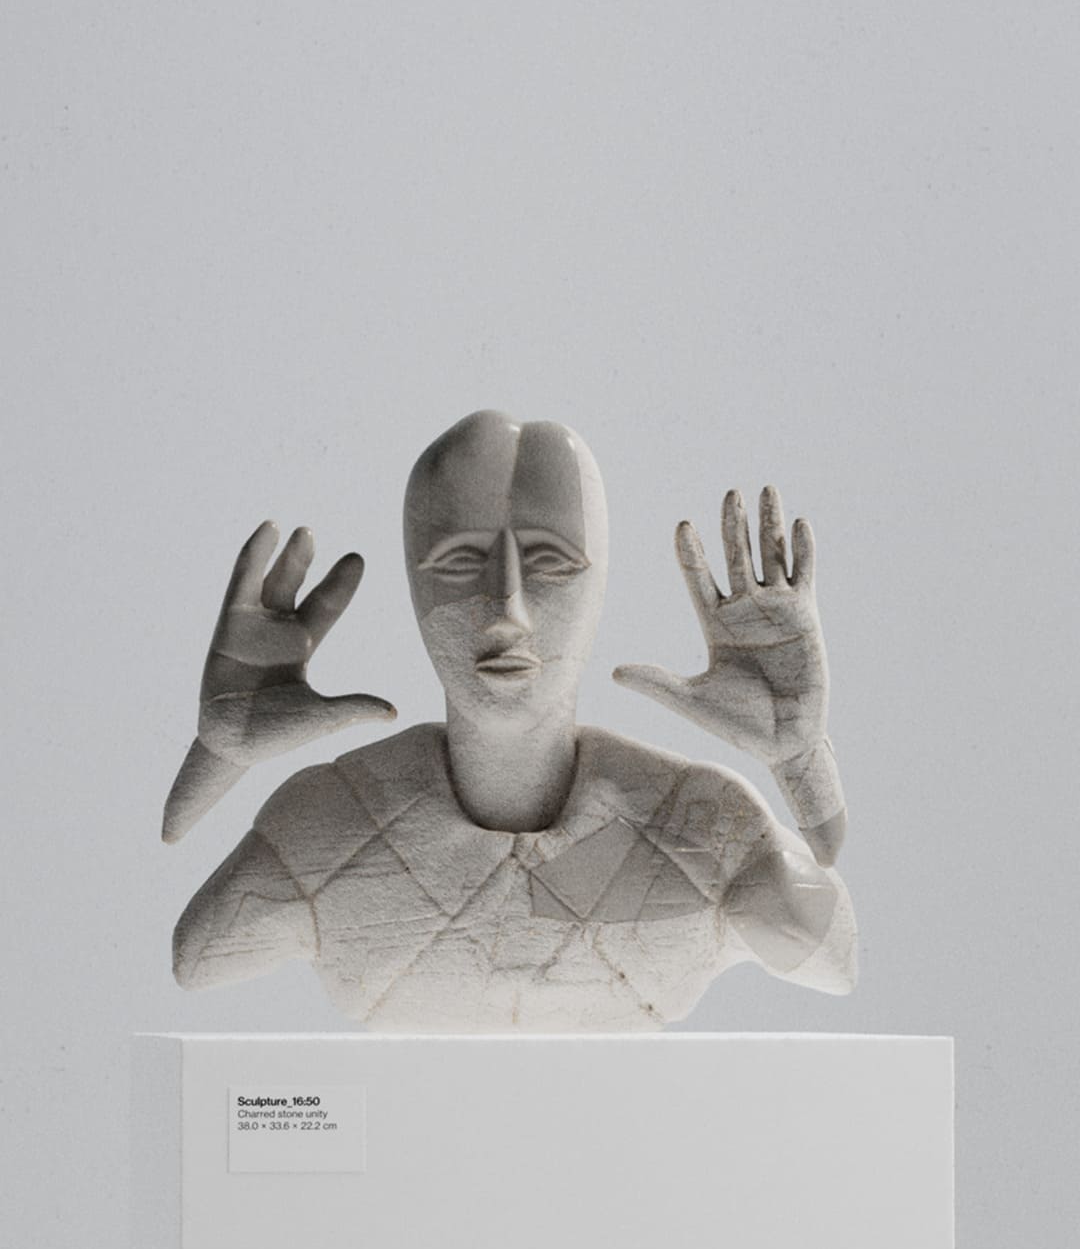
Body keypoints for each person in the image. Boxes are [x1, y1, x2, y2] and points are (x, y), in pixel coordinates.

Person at [164, 410, 855, 1030]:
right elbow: (195, 957)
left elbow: (834, 959)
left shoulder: (700, 825)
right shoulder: (327, 825)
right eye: (459, 563)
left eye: (551, 563)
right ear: (412, 584)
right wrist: (222, 751)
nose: (507, 613)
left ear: (600, 587)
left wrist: (802, 761)